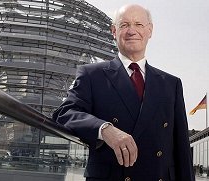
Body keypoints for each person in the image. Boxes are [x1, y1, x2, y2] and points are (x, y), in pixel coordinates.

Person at [53, 4, 195, 181]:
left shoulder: (171, 83)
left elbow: (181, 148)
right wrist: (104, 129)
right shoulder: (91, 74)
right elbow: (65, 113)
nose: (131, 31)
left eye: (139, 24)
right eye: (124, 25)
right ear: (114, 31)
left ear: (150, 31)